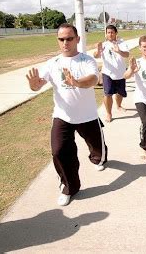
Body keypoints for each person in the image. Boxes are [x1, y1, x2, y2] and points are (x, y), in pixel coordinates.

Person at [25, 23, 108, 206]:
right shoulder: (52, 63)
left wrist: (77, 82)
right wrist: (34, 84)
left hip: (87, 116)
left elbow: (93, 79)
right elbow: (38, 84)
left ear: (77, 39)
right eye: (61, 39)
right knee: (59, 151)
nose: (65, 43)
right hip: (63, 116)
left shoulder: (86, 60)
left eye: (69, 38)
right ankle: (69, 187)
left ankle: (98, 158)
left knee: (98, 151)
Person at [94, 25, 130, 122]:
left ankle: (118, 106)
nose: (110, 34)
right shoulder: (104, 44)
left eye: (112, 32)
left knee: (120, 93)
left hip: (121, 73)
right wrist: (98, 50)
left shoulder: (122, 43)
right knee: (108, 94)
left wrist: (119, 51)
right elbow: (96, 56)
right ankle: (109, 113)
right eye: (108, 32)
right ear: (106, 34)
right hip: (107, 73)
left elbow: (127, 54)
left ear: (116, 33)